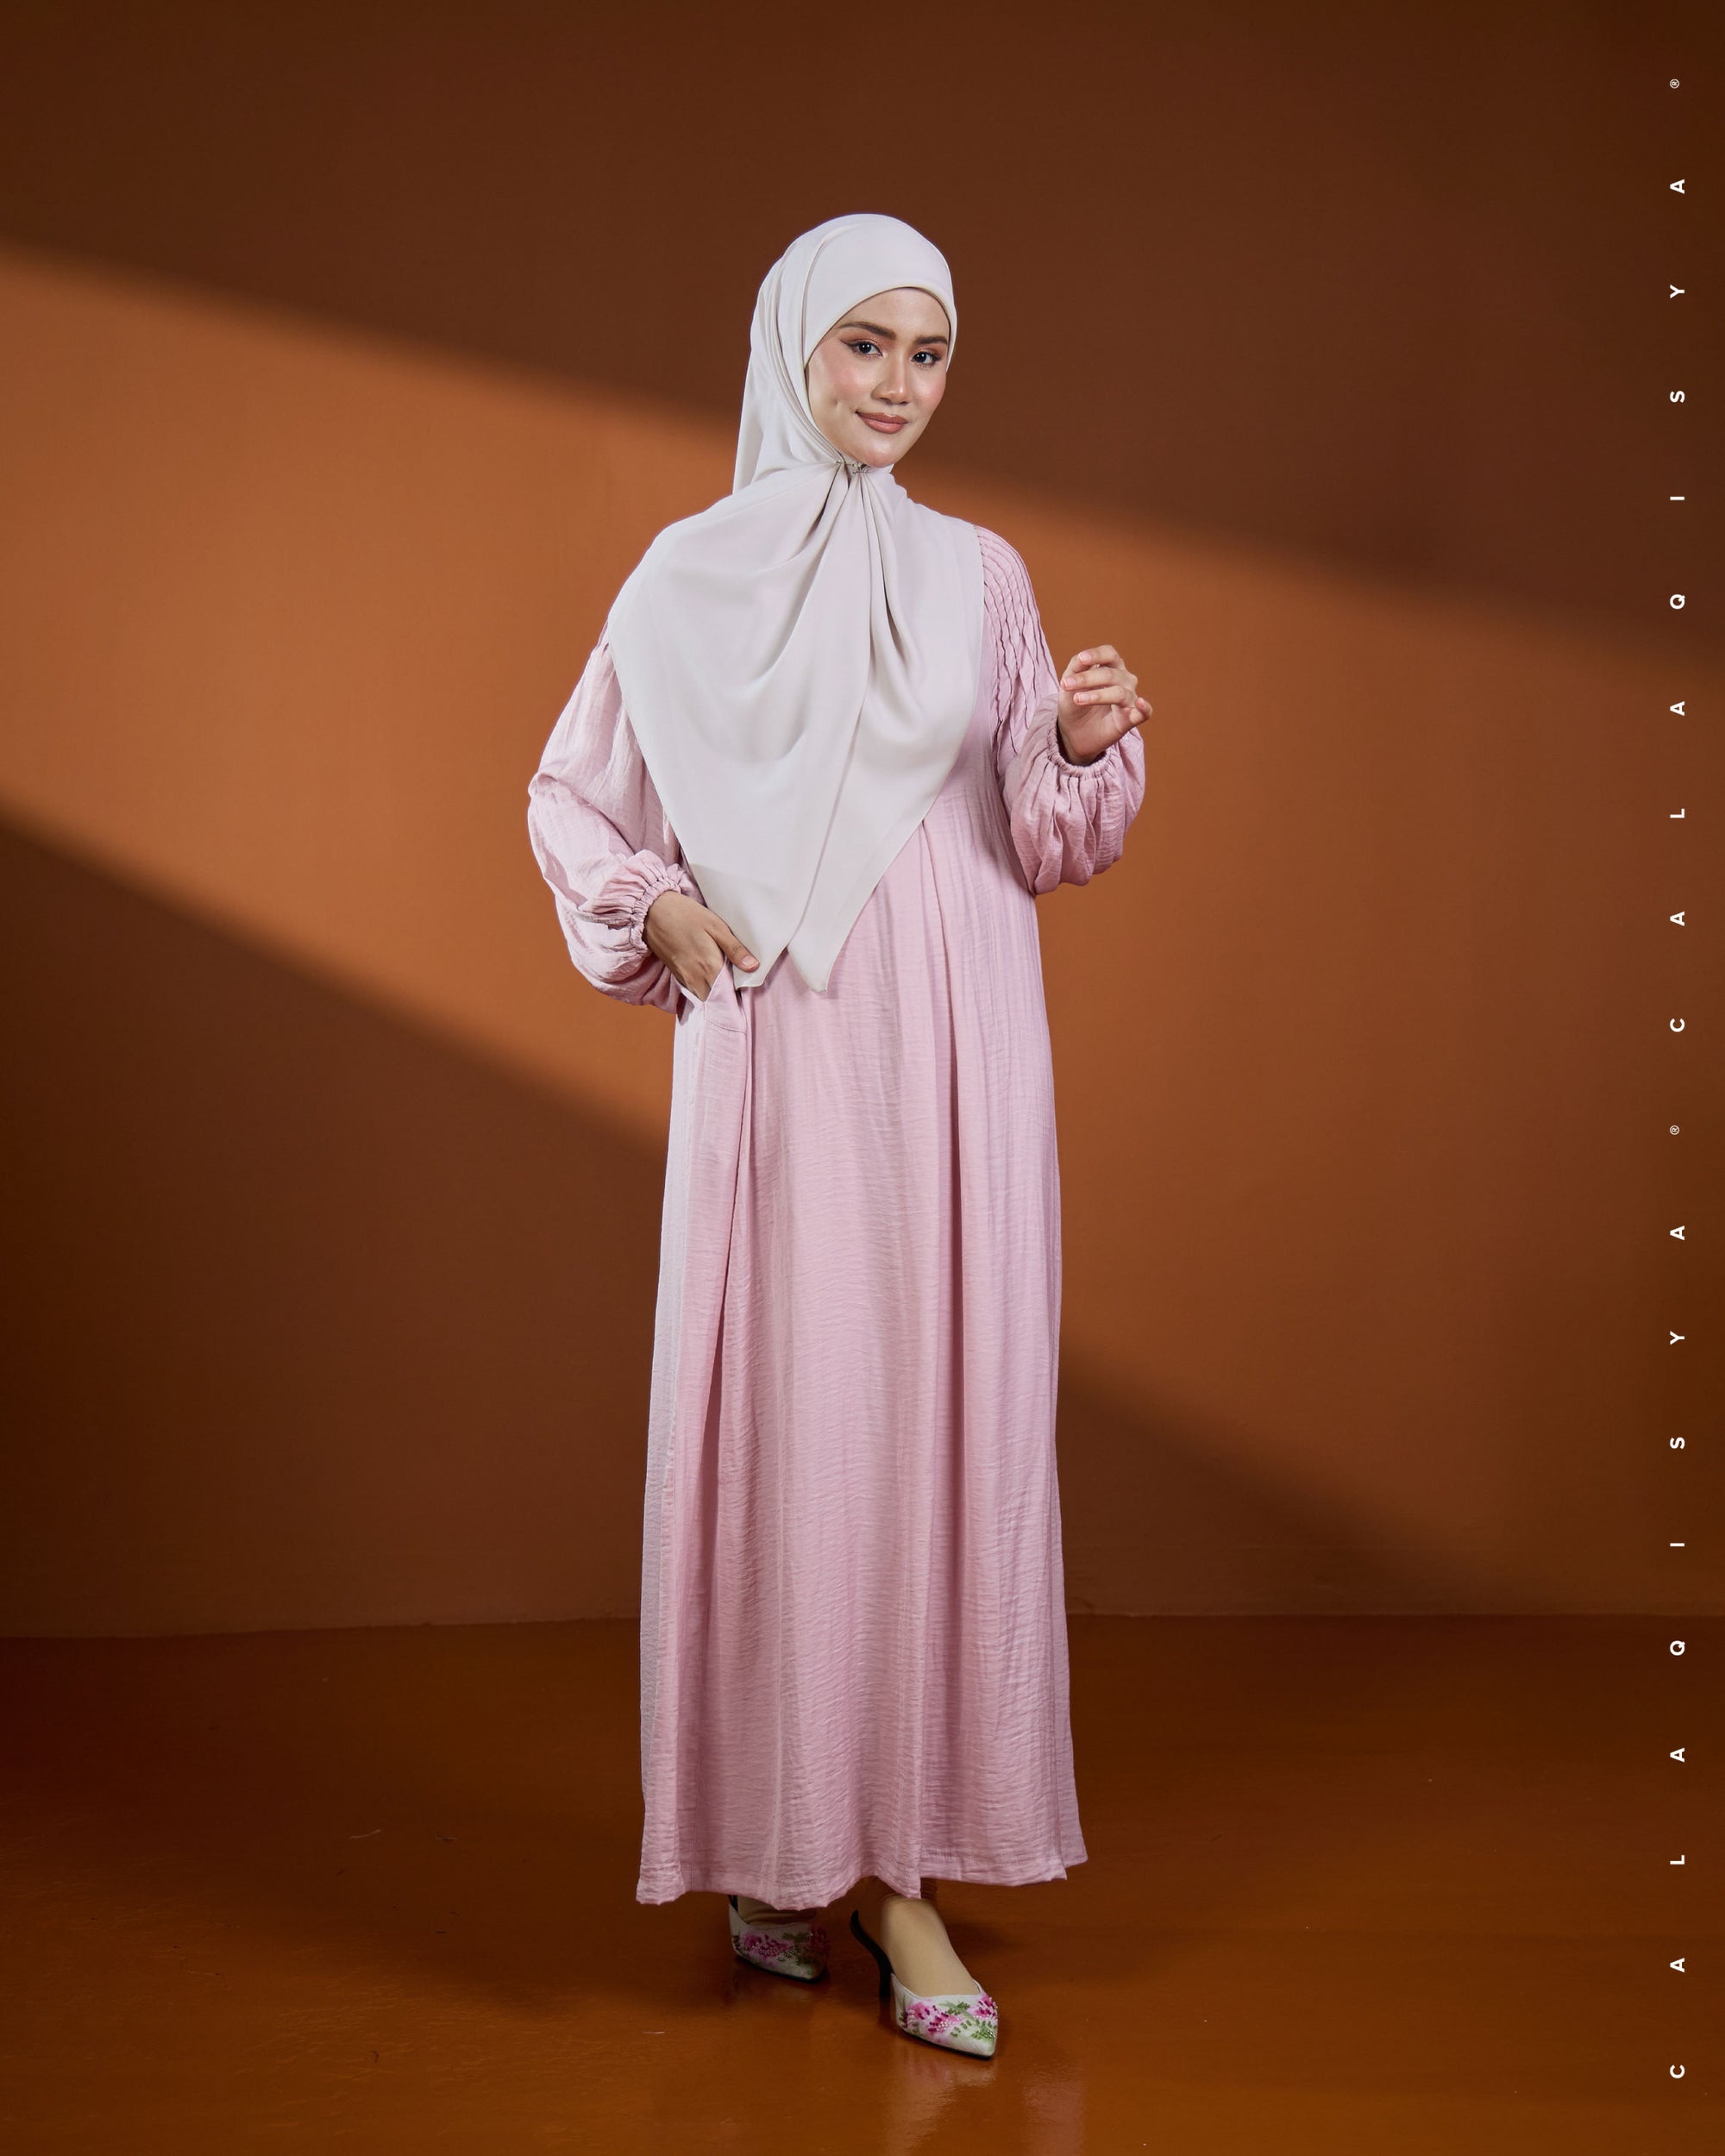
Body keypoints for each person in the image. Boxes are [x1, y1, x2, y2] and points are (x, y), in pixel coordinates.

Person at [526, 213, 1150, 2059]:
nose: (896, 385)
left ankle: (890, 1866)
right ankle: (792, 1840)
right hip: (791, 1047)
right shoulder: (687, 578)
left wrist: (1077, 741)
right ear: (792, 349)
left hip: (961, 1055)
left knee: (943, 1417)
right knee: (803, 1425)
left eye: (926, 352)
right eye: (862, 345)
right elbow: (574, 796)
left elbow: (1037, 827)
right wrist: (656, 905)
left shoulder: (978, 572)